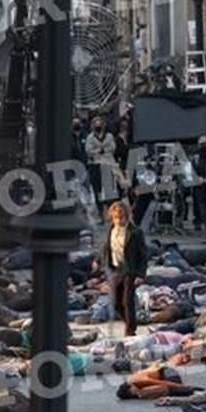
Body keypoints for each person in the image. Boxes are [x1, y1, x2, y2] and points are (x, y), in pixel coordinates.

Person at [99, 201, 148, 336]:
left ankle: (130, 329)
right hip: (115, 268)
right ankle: (128, 321)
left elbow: (143, 255)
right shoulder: (111, 230)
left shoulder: (135, 232)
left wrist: (141, 274)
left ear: (127, 217)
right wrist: (99, 261)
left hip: (130, 269)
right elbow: (107, 248)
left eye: (122, 218)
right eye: (116, 218)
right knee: (115, 301)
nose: (119, 221)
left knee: (127, 299)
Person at [85, 115, 119, 217]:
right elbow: (88, 150)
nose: (98, 126)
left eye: (100, 124)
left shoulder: (109, 136)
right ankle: (100, 212)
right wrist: (102, 149)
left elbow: (112, 148)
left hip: (108, 165)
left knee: (109, 190)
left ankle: (110, 211)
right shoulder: (90, 137)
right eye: (96, 124)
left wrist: (100, 150)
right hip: (95, 165)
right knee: (97, 189)